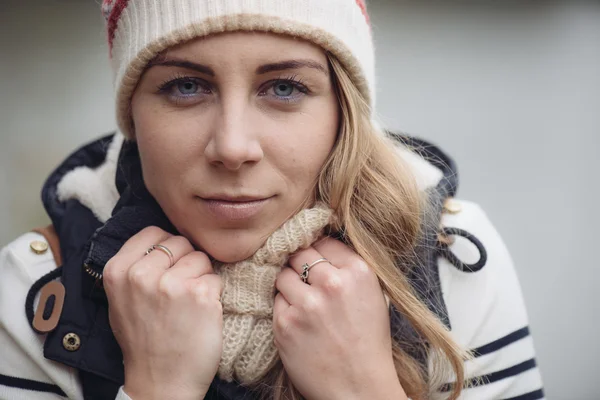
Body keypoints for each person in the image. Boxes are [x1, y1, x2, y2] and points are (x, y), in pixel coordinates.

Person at [0, 1, 545, 399]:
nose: (233, 147)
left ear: (343, 112)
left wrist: (364, 388)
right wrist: (158, 387)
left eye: (283, 87)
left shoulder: (452, 263)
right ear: (134, 114)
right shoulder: (37, 287)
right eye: (187, 86)